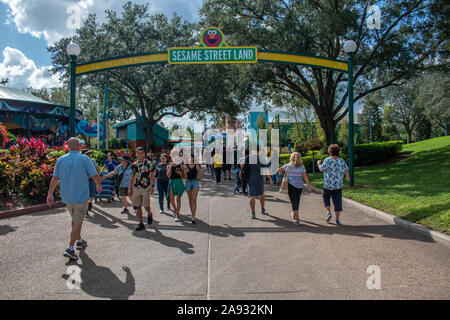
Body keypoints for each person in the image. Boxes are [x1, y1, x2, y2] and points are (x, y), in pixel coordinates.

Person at [47, 137, 102, 261]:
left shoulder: (60, 160)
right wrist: (98, 185)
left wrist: (50, 194)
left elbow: (55, 178)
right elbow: (95, 175)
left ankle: (80, 240)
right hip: (81, 196)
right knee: (77, 221)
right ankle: (70, 248)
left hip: (67, 197)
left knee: (75, 220)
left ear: (68, 146)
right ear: (78, 146)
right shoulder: (85, 159)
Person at [318, 144, 350, 226]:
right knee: (337, 201)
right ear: (338, 152)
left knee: (326, 198)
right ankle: (337, 219)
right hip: (338, 185)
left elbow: (321, 169)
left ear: (330, 152)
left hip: (328, 185)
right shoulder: (341, 160)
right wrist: (347, 176)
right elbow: (346, 169)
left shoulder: (327, 160)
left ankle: (328, 212)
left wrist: (318, 164)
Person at [278, 152, 312, 225]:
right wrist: (309, 186)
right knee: (297, 201)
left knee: (294, 202)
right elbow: (305, 177)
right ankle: (294, 213)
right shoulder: (302, 167)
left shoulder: (288, 166)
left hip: (291, 185)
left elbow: (279, 169)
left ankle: (297, 219)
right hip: (300, 186)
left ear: (291, 158)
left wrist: (283, 172)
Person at [241, 146, 273, 219]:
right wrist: (270, 179)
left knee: (252, 197)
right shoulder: (261, 158)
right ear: (259, 151)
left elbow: (242, 165)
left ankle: (253, 213)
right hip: (259, 179)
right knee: (261, 195)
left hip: (250, 179)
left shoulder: (248, 157)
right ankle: (262, 209)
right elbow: (265, 169)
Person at [128, 147, 155, 231]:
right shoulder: (134, 165)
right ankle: (141, 223)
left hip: (145, 187)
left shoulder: (149, 163)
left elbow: (152, 175)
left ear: (144, 154)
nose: (140, 155)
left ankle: (149, 214)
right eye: (138, 153)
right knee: (138, 206)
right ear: (136, 154)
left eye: (141, 153)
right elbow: (132, 177)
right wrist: (129, 188)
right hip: (136, 187)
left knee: (146, 205)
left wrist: (152, 185)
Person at [167, 149, 186, 222]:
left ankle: (177, 214)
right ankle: (176, 210)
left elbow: (184, 177)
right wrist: (171, 167)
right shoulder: (169, 165)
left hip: (179, 182)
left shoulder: (181, 165)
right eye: (173, 155)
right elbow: (168, 176)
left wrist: (180, 173)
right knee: (172, 200)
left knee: (178, 199)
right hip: (172, 182)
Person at [184, 153, 204, 224]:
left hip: (195, 182)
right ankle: (192, 212)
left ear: (193, 158)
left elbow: (199, 174)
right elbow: (184, 175)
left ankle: (193, 216)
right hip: (188, 182)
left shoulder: (196, 165)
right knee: (190, 199)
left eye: (191, 157)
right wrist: (184, 171)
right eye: (188, 158)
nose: (189, 159)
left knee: (194, 199)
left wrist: (202, 183)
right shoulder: (185, 165)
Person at [82, 149, 100, 215]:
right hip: (83, 180)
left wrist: (98, 178)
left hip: (91, 180)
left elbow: (97, 169)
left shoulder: (92, 161)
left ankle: (90, 203)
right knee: (85, 195)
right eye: (87, 154)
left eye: (89, 154)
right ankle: (85, 208)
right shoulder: (81, 161)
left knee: (91, 194)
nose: (88, 155)